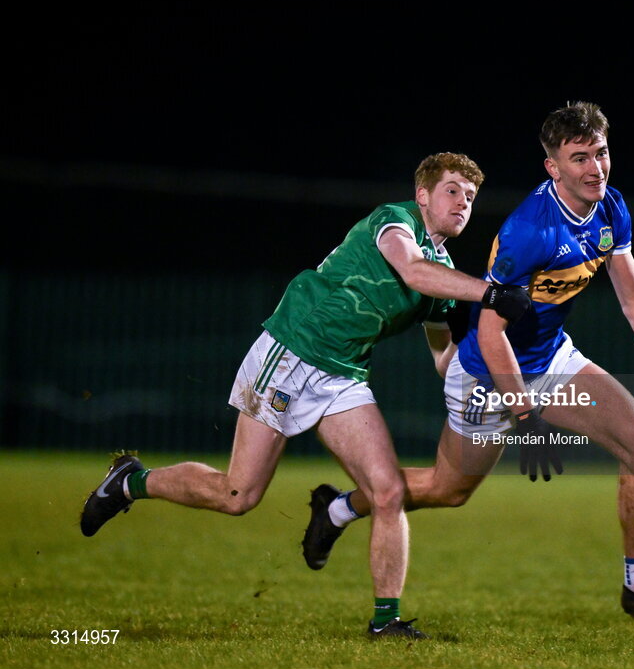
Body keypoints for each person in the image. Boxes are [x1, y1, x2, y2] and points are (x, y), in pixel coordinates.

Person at [79, 152, 532, 640]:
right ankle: (130, 481)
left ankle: (386, 622)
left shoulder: (445, 275)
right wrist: (489, 292)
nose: (462, 202)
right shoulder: (394, 221)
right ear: (422, 194)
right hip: (293, 350)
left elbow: (444, 358)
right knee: (238, 495)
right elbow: (412, 271)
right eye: (452, 190)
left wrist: (485, 379)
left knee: (388, 491)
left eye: (470, 196)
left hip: (342, 377)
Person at [302, 102, 634, 621]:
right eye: (579, 158)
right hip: (487, 373)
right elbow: (490, 330)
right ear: (553, 167)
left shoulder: (611, 207)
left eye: (601, 153)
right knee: (447, 489)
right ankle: (338, 509)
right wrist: (524, 414)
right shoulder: (530, 232)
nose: (595, 168)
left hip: (552, 360)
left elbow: (632, 294)